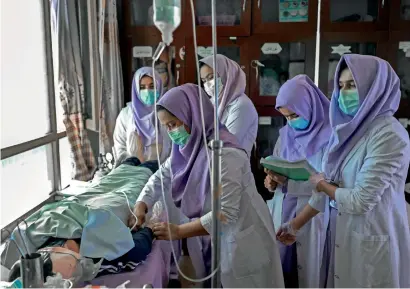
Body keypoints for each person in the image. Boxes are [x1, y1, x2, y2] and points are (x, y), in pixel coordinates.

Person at [129, 84, 284, 288]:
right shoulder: (186, 150)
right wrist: (142, 204)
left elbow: (226, 212)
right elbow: (161, 176)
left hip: (245, 237)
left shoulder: (226, 153)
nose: (171, 132)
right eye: (166, 127)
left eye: (174, 124)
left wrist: (178, 231)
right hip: (220, 236)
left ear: (192, 114)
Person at [277, 54, 410, 288]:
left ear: (374, 87)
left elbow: (360, 199)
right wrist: (294, 225)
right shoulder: (349, 132)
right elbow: (329, 187)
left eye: (352, 85)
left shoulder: (389, 134)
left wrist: (322, 185)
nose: (344, 93)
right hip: (342, 237)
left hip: (371, 238)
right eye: (340, 86)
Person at [4, 157, 164, 284]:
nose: (64, 245)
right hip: (120, 200)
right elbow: (138, 248)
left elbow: (25, 232)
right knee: (145, 171)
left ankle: (131, 161)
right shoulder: (96, 257)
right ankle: (142, 163)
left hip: (81, 203)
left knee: (120, 170)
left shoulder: (34, 242)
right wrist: (148, 229)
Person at [265, 75, 331, 288]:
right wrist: (273, 181)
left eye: (295, 115)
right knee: (282, 273)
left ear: (310, 106)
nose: (292, 121)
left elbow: (328, 183)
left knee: (310, 275)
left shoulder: (330, 137)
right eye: (286, 116)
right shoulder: (285, 134)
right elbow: (278, 164)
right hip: (283, 209)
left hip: (312, 216)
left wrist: (289, 183)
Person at [199, 54, 258, 157]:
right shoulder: (213, 102)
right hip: (213, 164)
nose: (207, 84)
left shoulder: (241, 105)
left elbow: (227, 143)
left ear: (227, 74)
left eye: (211, 77)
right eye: (204, 81)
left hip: (232, 167)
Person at [113, 67, 171, 167]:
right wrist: (133, 166)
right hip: (134, 174)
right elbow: (120, 146)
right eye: (142, 87)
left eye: (152, 86)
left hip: (163, 173)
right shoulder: (126, 115)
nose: (147, 91)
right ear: (136, 89)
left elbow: (175, 145)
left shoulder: (168, 112)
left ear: (159, 87)